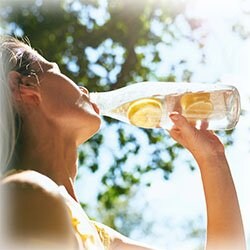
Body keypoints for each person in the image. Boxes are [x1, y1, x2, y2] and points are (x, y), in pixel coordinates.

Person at [0, 36, 246, 250]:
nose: (83, 88)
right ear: (24, 88)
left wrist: (212, 158)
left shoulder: (100, 237)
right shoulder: (23, 196)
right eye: (55, 70)